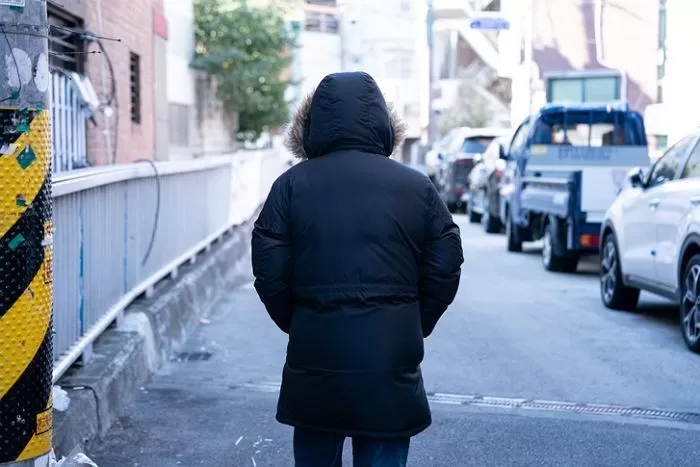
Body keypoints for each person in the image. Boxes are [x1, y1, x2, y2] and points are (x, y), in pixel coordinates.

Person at [251, 71, 464, 467]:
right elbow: (446, 266)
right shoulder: (417, 187)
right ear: (383, 122)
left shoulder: (291, 186)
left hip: (316, 354)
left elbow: (269, 270)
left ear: (311, 124)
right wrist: (414, 323)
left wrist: (298, 321)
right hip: (390, 357)